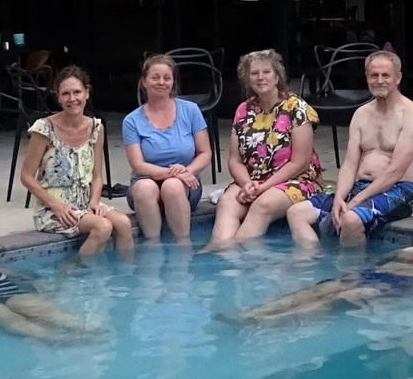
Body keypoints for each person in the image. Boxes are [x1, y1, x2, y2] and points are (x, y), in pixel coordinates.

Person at [226, 198, 413, 324]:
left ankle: (270, 322)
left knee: (343, 296)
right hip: (375, 277)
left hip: (399, 288)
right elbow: (374, 264)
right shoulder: (410, 251)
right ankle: (253, 313)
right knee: (321, 288)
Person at [288, 49, 413, 249]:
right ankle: (313, 261)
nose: (379, 80)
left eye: (386, 75)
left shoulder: (412, 114)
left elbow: (396, 171)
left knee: (351, 219)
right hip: (360, 186)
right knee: (296, 213)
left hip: (399, 190)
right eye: (374, 75)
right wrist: (339, 198)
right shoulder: (361, 114)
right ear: (367, 77)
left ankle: (351, 269)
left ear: (398, 78)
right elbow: (350, 165)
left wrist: (356, 201)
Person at [203, 49, 324, 251]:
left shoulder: (297, 108)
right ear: (247, 79)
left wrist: (265, 186)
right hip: (252, 181)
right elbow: (235, 161)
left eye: (266, 72)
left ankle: (238, 255)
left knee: (262, 205)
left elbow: (300, 162)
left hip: (296, 180)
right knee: (226, 203)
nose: (260, 77)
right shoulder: (243, 110)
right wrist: (247, 184)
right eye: (254, 73)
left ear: (277, 76)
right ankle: (218, 252)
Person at [19, 66, 135, 257]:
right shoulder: (44, 129)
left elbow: (97, 176)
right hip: (53, 208)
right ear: (58, 98)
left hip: (86, 203)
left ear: (86, 93)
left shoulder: (95, 127)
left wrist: (95, 202)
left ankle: (126, 272)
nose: (72, 99)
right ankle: (78, 272)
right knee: (103, 227)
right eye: (65, 94)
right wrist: (57, 206)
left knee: (124, 224)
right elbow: (26, 177)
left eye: (77, 92)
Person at [123, 53, 212, 244]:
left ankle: (183, 245)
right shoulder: (131, 120)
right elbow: (138, 165)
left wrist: (187, 172)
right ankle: (152, 247)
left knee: (172, 186)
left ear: (173, 82)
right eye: (155, 77)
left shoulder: (190, 110)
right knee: (145, 189)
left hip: (185, 182)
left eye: (167, 78)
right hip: (145, 181)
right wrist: (173, 172)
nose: (161, 82)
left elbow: (205, 153)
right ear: (144, 82)